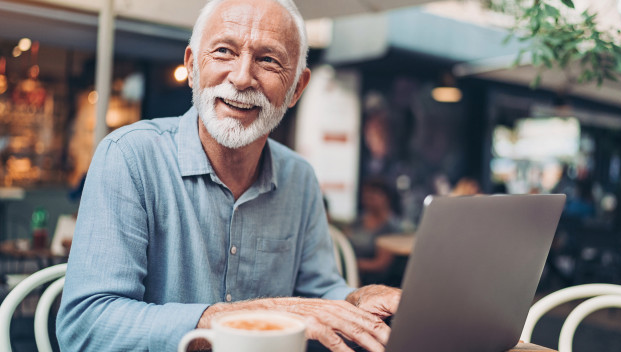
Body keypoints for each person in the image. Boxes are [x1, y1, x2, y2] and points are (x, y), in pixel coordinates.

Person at [55, 1, 400, 351]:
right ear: (192, 67)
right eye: (223, 51)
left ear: (296, 88)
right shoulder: (129, 157)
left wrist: (357, 299)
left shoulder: (300, 177)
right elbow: (86, 326)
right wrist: (235, 318)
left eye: (268, 60)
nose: (241, 77)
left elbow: (320, 292)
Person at [347, 179, 403, 286]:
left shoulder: (391, 227)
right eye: (366, 194)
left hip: (375, 282)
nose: (368, 197)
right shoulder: (357, 221)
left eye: (373, 193)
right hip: (352, 274)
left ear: (386, 197)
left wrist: (350, 264)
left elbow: (381, 264)